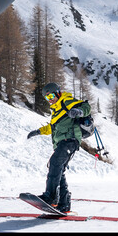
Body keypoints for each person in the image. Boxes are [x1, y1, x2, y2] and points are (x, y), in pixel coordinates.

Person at [27, 82, 91, 213]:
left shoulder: (66, 101)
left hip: (70, 140)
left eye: (51, 96)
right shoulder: (56, 110)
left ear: (57, 93)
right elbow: (52, 127)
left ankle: (50, 197)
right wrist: (38, 131)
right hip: (61, 142)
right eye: (47, 98)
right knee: (57, 168)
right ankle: (64, 203)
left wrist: (78, 111)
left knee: (55, 163)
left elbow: (86, 106)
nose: (49, 100)